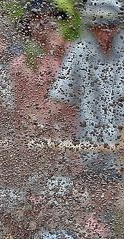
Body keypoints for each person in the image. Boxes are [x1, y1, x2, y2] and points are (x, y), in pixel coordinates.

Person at [49, 0, 124, 180]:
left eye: (111, 25)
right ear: (90, 26)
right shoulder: (79, 52)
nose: (106, 30)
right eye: (100, 25)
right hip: (91, 147)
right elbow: (60, 98)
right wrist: (42, 129)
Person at [10, 0, 71, 132]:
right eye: (35, 19)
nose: (41, 24)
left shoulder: (72, 52)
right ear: (28, 25)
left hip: (70, 131)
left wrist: (60, 47)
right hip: (35, 131)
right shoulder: (20, 63)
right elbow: (21, 105)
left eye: (46, 18)